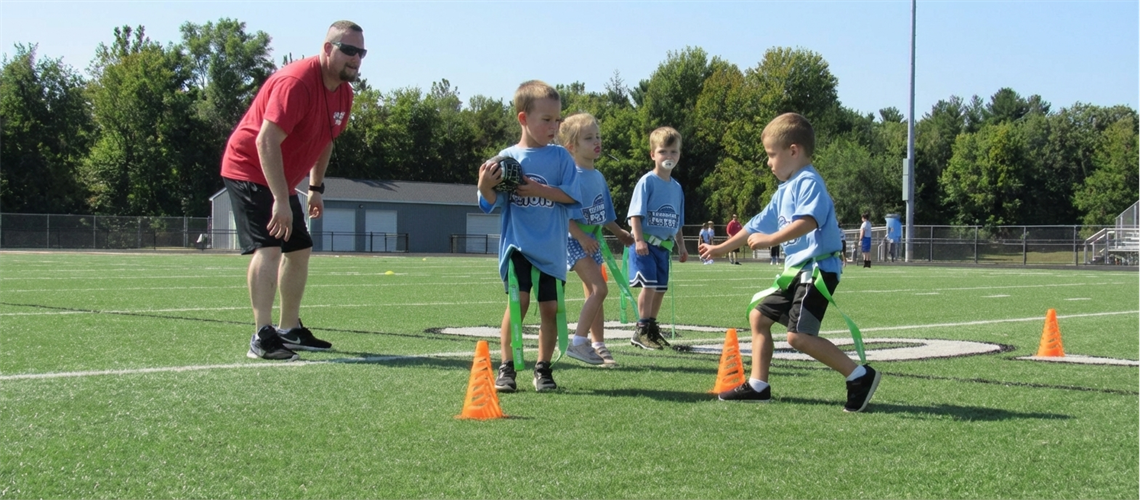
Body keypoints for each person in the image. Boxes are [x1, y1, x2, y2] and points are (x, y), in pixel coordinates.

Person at [698, 112, 881, 412]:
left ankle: (859, 375)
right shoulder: (784, 190)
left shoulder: (809, 182)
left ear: (793, 151)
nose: (769, 162)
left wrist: (772, 240)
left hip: (817, 271)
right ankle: (759, 384)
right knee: (759, 317)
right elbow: (754, 226)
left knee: (799, 337)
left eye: (772, 155)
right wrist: (720, 249)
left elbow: (808, 222)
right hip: (797, 272)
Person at [220, 20, 364, 361]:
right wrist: (281, 200)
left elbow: (325, 141)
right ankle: (262, 335)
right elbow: (265, 140)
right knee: (269, 247)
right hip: (249, 167)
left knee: (299, 248)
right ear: (327, 48)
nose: (356, 58)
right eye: (349, 50)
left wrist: (315, 186)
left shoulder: (344, 92)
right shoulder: (296, 82)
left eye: (361, 52)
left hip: (282, 178)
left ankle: (289, 329)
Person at [477, 80, 581, 392]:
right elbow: (489, 202)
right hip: (518, 245)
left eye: (557, 120)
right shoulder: (506, 158)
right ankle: (507, 366)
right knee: (518, 302)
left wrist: (538, 189)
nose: (554, 126)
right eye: (546, 120)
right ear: (523, 119)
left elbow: (572, 197)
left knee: (551, 309)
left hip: (551, 248)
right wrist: (484, 185)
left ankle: (543, 367)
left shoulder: (562, 157)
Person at [561, 113, 634, 367]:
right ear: (571, 146)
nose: (596, 141)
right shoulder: (572, 176)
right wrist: (581, 238)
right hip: (575, 241)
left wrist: (620, 232)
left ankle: (598, 344)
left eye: (598, 136)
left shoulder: (598, 176)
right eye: (588, 138)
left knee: (595, 293)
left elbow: (603, 214)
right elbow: (565, 216)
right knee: (600, 289)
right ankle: (579, 342)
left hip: (591, 240)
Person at [626, 126, 690, 350]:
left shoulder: (677, 188)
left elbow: (677, 221)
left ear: (679, 155)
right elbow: (635, 214)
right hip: (646, 246)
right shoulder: (647, 182)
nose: (669, 156)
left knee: (660, 288)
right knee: (649, 286)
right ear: (653, 154)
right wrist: (639, 240)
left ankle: (652, 328)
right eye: (663, 151)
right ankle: (641, 329)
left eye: (673, 152)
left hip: (664, 247)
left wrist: (681, 246)